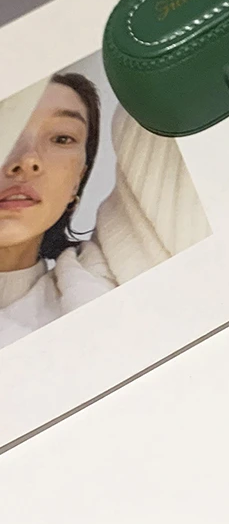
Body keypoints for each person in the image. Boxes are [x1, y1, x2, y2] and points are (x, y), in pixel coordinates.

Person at [0, 71, 211, 349]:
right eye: (5, 129)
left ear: (77, 180)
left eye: (62, 138)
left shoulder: (99, 282)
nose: (28, 159)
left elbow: (168, 87)